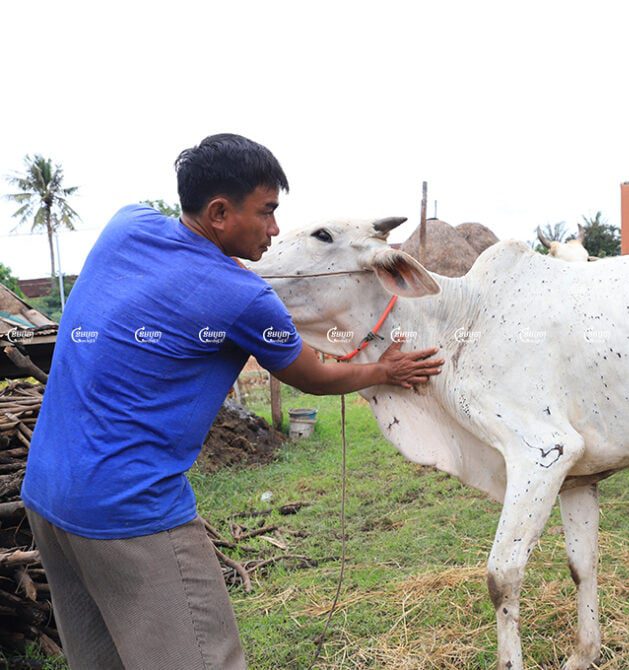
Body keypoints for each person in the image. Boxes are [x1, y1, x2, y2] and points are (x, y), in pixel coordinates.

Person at [20, 133, 443, 669]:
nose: (273, 230)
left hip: (48, 494)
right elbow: (310, 375)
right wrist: (382, 369)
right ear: (220, 212)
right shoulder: (244, 296)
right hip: (132, 513)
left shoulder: (125, 224)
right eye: (266, 213)